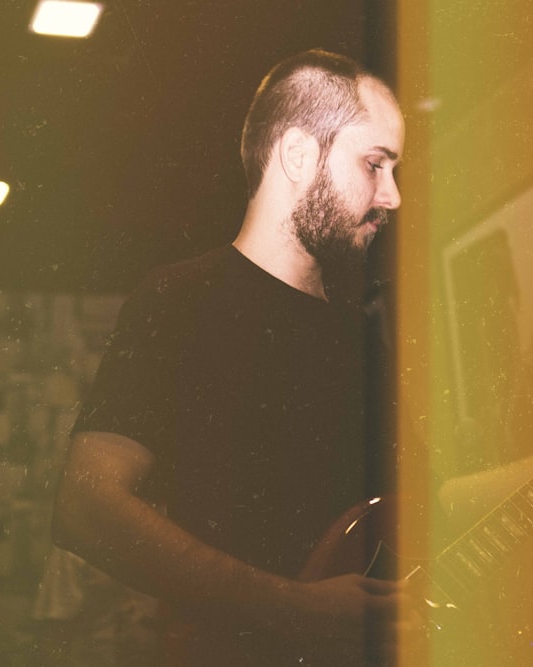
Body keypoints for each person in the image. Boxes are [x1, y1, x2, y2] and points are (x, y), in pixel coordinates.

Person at [52, 49, 410, 666]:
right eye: (375, 164)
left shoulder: (358, 332)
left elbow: (429, 495)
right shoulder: (184, 297)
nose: (393, 195)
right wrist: (294, 608)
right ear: (298, 155)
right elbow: (85, 503)